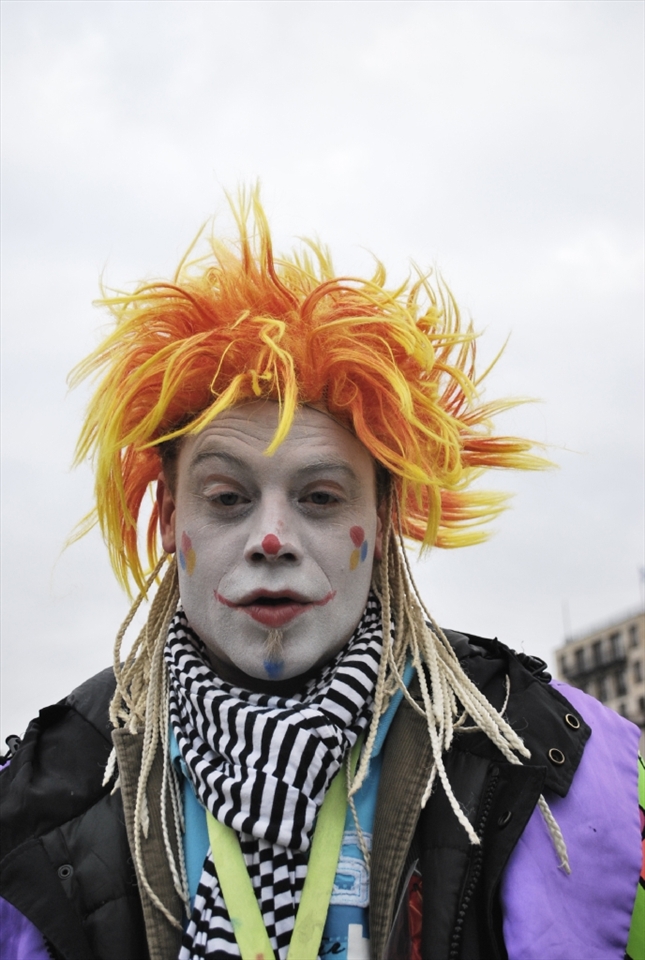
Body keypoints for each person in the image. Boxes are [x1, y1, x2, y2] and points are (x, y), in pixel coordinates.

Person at [1, 191, 642, 960]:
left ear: (382, 519)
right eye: (228, 498)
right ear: (170, 516)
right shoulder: (42, 800)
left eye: (320, 498)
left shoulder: (562, 766)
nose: (271, 539)